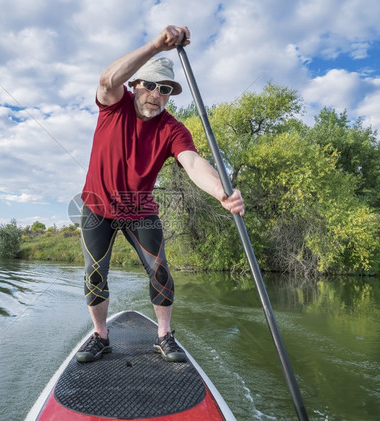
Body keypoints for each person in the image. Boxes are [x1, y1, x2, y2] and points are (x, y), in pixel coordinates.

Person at [76, 25, 245, 363]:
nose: (156, 94)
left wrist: (221, 193)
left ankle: (165, 335)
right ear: (135, 86)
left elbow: (193, 163)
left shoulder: (172, 129)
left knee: (161, 272)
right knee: (96, 273)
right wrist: (156, 45)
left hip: (140, 211)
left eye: (165, 89)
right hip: (98, 207)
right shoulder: (115, 104)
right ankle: (101, 335)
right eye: (150, 85)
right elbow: (107, 80)